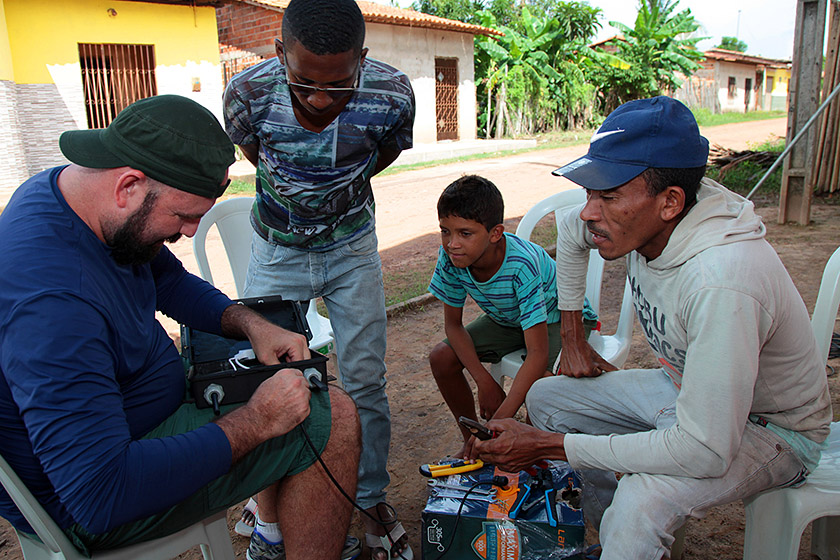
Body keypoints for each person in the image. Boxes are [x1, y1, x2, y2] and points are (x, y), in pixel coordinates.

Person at [0, 94, 361, 560]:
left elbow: (165, 278)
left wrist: (250, 325)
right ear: (128, 185)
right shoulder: (53, 304)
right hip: (94, 502)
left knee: (278, 387)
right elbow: (100, 493)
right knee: (331, 419)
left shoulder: (75, 199)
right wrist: (254, 422)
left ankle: (271, 536)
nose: (192, 232)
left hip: (129, 437)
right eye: (184, 216)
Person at [471, 96, 833, 560]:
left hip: (770, 430)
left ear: (670, 202)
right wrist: (574, 337)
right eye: (588, 193)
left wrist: (553, 446)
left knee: (641, 502)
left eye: (608, 195)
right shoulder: (637, 221)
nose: (588, 212)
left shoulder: (721, 280)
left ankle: (627, 537)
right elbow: (569, 232)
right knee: (547, 398)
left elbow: (705, 449)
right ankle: (616, 544)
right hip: (684, 391)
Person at [223, 0, 415, 558]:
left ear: (363, 58)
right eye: (303, 82)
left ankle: (371, 497)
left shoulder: (393, 94)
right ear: (280, 53)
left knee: (364, 377)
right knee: (265, 377)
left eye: (338, 85)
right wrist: (299, 203)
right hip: (277, 246)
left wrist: (333, 200)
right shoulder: (249, 94)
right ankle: (268, 509)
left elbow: (381, 154)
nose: (319, 100)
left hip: (352, 247)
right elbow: (255, 152)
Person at [427, 175, 596, 457]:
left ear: (495, 234)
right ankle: (473, 444)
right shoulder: (451, 258)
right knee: (441, 357)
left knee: (543, 386)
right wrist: (484, 381)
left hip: (558, 316)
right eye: (446, 231)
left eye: (465, 233)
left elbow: (538, 353)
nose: (452, 243)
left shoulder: (522, 265)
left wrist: (497, 422)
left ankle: (519, 451)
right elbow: (453, 326)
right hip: (510, 318)